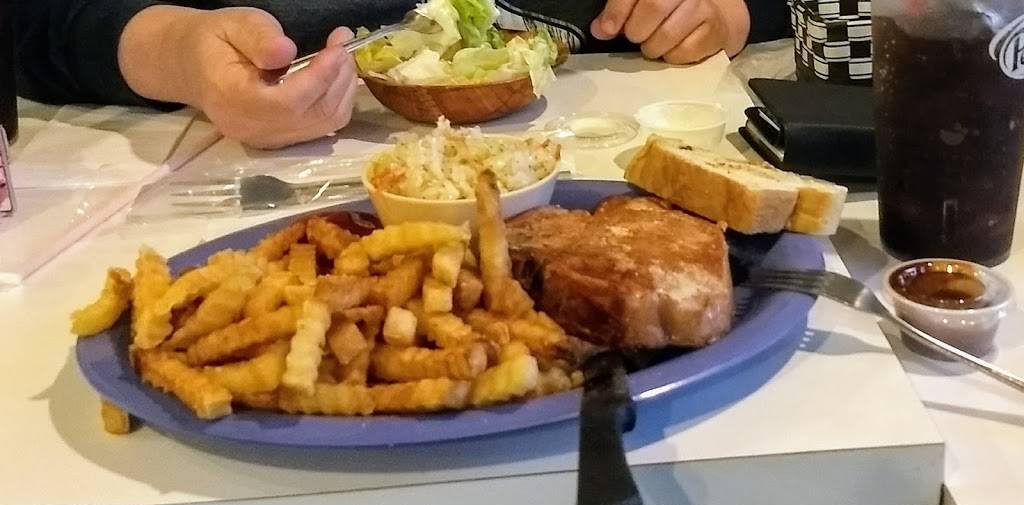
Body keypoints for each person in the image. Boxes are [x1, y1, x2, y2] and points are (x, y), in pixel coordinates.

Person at [16, 0, 789, 149]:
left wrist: (735, 11)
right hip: (252, 188)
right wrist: (184, 52)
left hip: (636, 151)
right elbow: (33, 26)